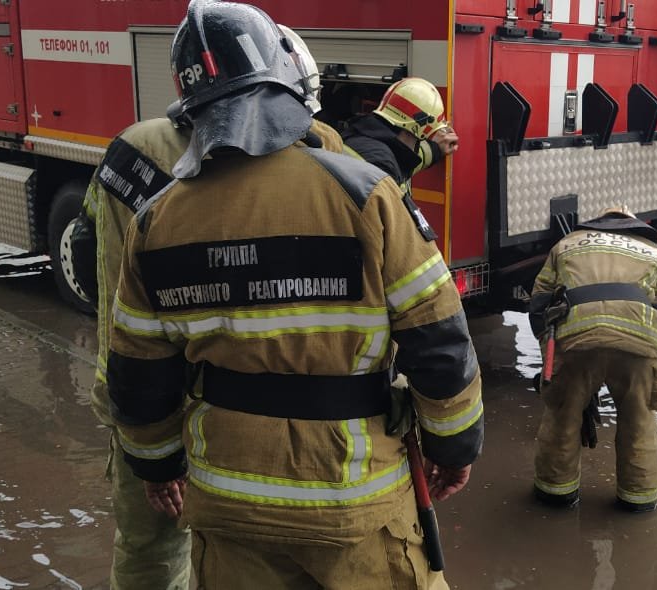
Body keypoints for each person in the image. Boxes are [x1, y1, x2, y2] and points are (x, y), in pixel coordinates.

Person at [106, 1, 483, 587]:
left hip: (229, 507)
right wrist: (453, 445)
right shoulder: (365, 194)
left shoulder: (156, 221)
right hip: (357, 504)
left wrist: (156, 467)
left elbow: (137, 373)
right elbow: (437, 338)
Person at [70, 13, 345, 589]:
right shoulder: (309, 148)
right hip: (243, 409)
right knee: (244, 554)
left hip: (137, 396)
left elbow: (94, 244)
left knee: (149, 548)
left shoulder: (130, 150)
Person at [528, 208, 657, 513]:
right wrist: (651, 351)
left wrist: (552, 354)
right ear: (634, 226)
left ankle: (556, 495)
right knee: (640, 420)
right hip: (638, 343)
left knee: (562, 416)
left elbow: (539, 304)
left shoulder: (566, 244)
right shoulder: (654, 251)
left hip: (576, 338)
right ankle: (639, 501)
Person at [341, 77, 459, 195]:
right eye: (419, 140)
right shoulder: (384, 167)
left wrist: (436, 148)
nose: (416, 147)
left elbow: (404, 160)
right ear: (412, 130)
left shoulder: (356, 137)